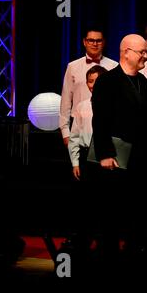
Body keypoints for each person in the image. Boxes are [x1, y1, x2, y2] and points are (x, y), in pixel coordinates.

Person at [91, 34, 147, 282]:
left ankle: (135, 261)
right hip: (115, 157)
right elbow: (99, 120)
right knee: (112, 211)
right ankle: (108, 264)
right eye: (142, 52)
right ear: (126, 52)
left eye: (145, 52)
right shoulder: (107, 81)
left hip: (140, 158)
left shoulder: (143, 81)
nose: (146, 55)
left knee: (139, 210)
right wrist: (105, 154)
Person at [61, 65, 108, 265]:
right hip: (86, 155)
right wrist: (75, 162)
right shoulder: (81, 107)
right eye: (90, 81)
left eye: (98, 81)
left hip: (106, 156)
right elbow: (74, 137)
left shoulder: (113, 105)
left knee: (104, 202)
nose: (93, 85)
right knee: (86, 201)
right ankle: (84, 240)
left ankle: (104, 243)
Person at [59, 27, 118, 147]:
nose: (95, 44)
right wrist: (65, 132)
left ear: (104, 42)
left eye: (98, 40)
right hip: (79, 126)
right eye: (91, 40)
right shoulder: (73, 66)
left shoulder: (114, 66)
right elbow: (65, 100)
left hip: (107, 127)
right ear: (84, 42)